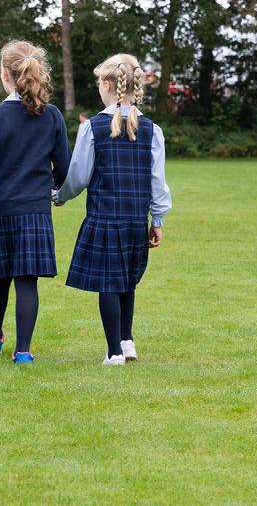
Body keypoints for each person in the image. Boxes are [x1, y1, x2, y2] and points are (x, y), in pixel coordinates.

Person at [53, 54, 172, 365]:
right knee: (126, 281)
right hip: (135, 220)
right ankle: (126, 341)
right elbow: (157, 182)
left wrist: (60, 196)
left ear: (108, 85)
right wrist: (156, 219)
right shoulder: (152, 130)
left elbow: (78, 176)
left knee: (109, 282)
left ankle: (115, 352)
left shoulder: (92, 127)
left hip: (104, 219)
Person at [0, 41, 72, 364]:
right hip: (34, 212)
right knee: (27, 281)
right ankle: (24, 351)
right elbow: (64, 169)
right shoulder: (53, 116)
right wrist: (55, 191)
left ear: (5, 74)